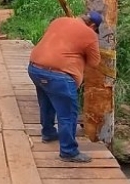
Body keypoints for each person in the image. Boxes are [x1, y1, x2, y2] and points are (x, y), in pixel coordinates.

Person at [27, 11, 103, 163]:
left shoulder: (59, 20)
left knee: (47, 103)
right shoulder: (89, 34)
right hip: (59, 77)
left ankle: (48, 133)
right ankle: (69, 151)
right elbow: (94, 62)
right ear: (93, 25)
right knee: (68, 114)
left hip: (35, 68)